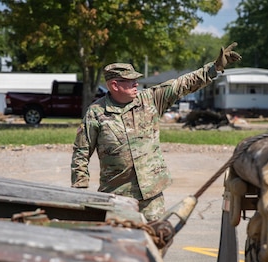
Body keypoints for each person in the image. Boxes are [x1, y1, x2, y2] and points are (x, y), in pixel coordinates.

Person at [71, 42, 241, 221]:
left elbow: (182, 84)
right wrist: (80, 187)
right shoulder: (96, 113)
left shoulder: (150, 99)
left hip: (151, 194)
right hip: (116, 195)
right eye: (130, 81)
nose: (136, 83)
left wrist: (214, 68)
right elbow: (81, 151)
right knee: (120, 243)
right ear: (114, 85)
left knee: (153, 240)